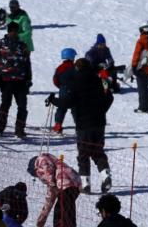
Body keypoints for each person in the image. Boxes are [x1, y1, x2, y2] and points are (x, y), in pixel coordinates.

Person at [54, 58, 113, 194]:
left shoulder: (75, 83)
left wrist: (53, 100)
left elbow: (66, 103)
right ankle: (105, 174)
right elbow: (109, 97)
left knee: (83, 154)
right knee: (98, 151)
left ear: (77, 68)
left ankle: (85, 184)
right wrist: (102, 110)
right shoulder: (98, 81)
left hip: (83, 124)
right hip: (99, 123)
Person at [0, 21, 32, 138]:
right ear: (8, 31)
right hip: (6, 80)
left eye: (15, 31)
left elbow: (27, 63)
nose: (14, 33)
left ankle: (19, 130)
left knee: (22, 106)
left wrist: (28, 78)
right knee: (5, 104)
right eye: (12, 31)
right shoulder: (0, 44)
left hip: (20, 81)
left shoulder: (22, 45)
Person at [28, 154, 81, 227]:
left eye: (37, 175)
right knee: (68, 212)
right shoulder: (52, 179)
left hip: (65, 184)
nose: (40, 177)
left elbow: (48, 170)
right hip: (74, 183)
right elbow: (50, 198)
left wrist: (51, 182)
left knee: (60, 214)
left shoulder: (41, 160)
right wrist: (42, 219)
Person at [130, 22, 148, 113]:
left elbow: (136, 54)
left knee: (142, 89)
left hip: (141, 68)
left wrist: (134, 66)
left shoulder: (142, 41)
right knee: (145, 88)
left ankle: (144, 108)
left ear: (141, 29)